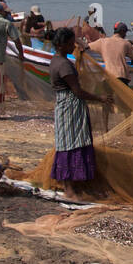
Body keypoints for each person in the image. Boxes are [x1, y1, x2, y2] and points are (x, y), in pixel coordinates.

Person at [49, 27, 108, 189]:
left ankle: (73, 186)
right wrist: (99, 98)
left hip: (63, 104)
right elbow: (78, 91)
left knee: (67, 141)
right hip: (70, 106)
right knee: (73, 143)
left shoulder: (55, 60)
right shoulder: (64, 65)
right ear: (61, 45)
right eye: (69, 44)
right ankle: (70, 188)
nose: (73, 47)